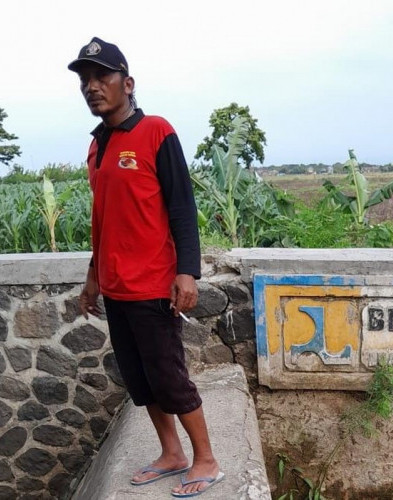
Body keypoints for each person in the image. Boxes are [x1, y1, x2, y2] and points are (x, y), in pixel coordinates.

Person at [69, 37, 224, 497]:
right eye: (85, 81)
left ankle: (207, 460)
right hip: (115, 288)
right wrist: (92, 280)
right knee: (141, 381)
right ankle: (171, 453)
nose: (92, 87)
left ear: (127, 83)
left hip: (153, 284)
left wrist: (187, 272)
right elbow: (104, 222)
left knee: (170, 377)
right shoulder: (97, 149)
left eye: (102, 77)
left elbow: (181, 206)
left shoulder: (156, 131)